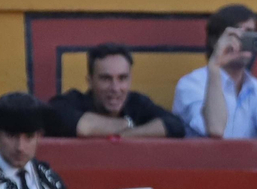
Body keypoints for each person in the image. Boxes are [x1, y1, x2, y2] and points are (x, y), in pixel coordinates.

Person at [173, 4, 257, 139]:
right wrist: (215, 66)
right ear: (216, 41)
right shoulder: (191, 84)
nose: (242, 39)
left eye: (249, 32)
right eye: (236, 33)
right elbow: (216, 129)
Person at [47, 43, 185, 138]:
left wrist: (127, 134)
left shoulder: (137, 103)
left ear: (130, 80)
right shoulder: (72, 102)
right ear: (90, 81)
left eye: (122, 78)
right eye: (106, 79)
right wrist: (126, 124)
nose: (115, 88)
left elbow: (175, 126)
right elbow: (80, 125)